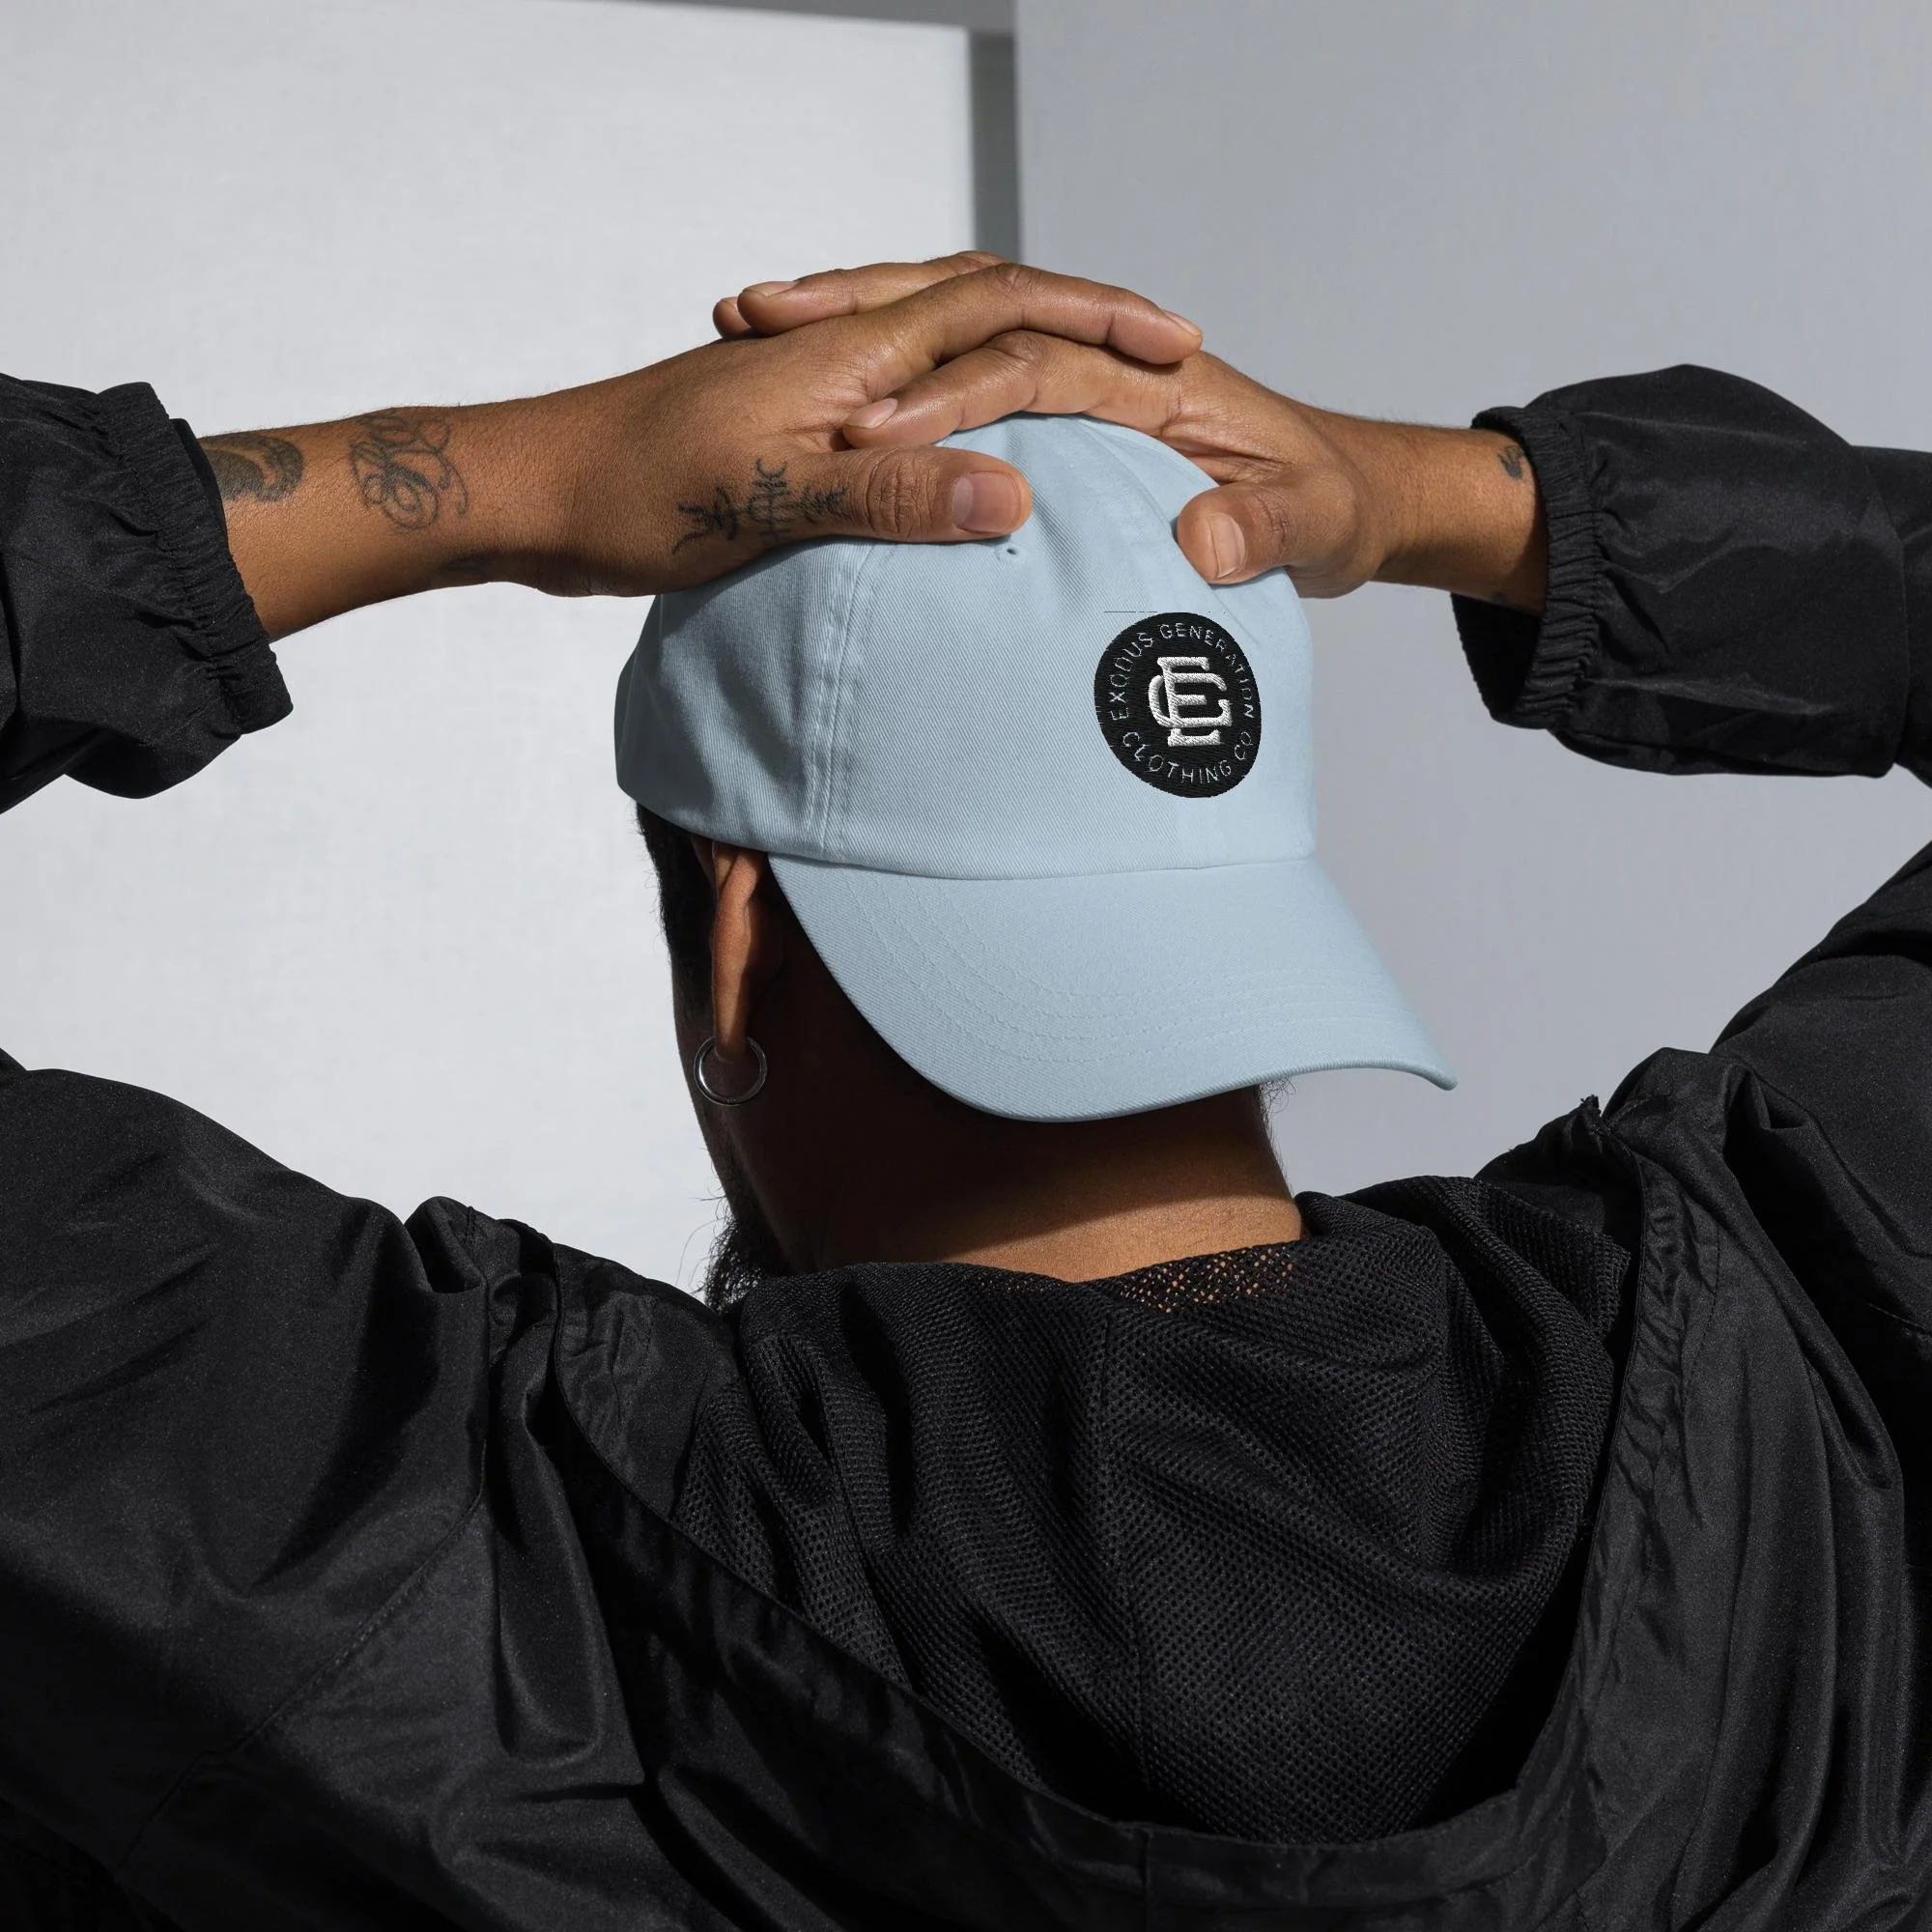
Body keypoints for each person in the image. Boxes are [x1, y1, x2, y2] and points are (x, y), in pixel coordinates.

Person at [0, 252, 1924, 1927]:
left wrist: (494, 482)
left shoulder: (418, 1543)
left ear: (735, 934)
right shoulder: (1800, 1376)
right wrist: (1430, 498)